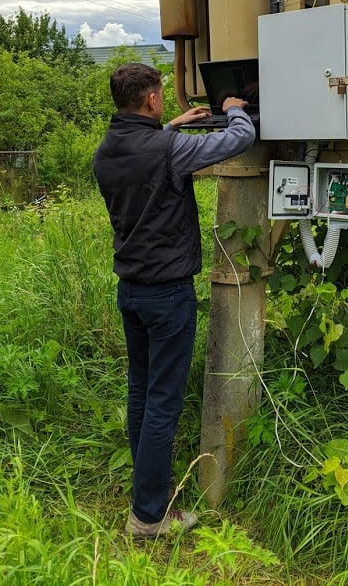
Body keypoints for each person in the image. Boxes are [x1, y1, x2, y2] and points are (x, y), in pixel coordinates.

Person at [92, 62, 256, 540]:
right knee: (163, 401)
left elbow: (146, 151)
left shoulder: (108, 151)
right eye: (162, 95)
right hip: (168, 294)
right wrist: (233, 110)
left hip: (132, 291)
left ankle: (146, 495)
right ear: (151, 99)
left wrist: (173, 126)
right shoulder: (167, 149)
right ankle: (148, 517)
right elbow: (235, 141)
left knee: (141, 393)